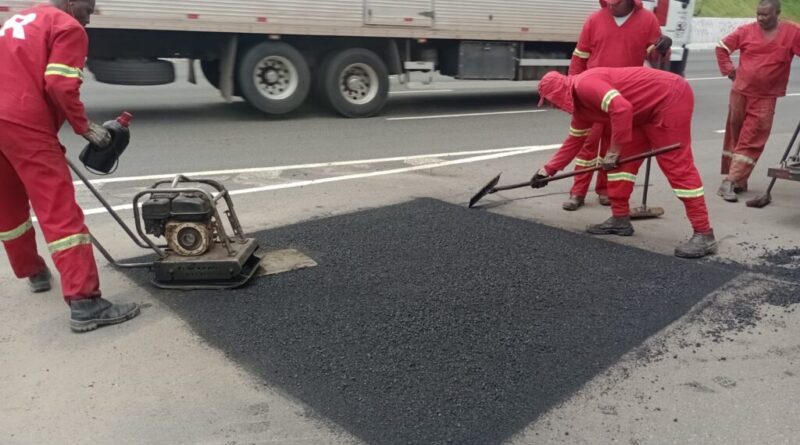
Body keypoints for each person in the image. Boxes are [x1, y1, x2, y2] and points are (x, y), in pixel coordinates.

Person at [0, 0, 140, 332]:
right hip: (24, 120)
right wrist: (84, 127)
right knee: (59, 209)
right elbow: (59, 83)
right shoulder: (67, 26)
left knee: (7, 204)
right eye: (87, 10)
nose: (88, 19)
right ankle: (85, 302)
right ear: (71, 2)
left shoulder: (17, 21)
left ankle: (33, 272)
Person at [532, 67, 717, 259]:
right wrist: (546, 171)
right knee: (620, 166)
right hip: (639, 113)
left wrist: (613, 151)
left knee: (677, 167)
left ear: (560, 93)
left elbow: (621, 108)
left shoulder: (586, 85)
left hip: (669, 98)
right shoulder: (580, 110)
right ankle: (620, 219)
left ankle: (704, 234)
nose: (553, 106)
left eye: (551, 101)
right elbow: (574, 141)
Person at [563, 0, 671, 211]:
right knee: (588, 143)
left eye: (617, 3)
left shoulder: (647, 20)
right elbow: (579, 57)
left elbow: (655, 55)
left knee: (614, 145)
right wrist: (572, 89)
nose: (611, 6)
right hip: (593, 95)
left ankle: (605, 190)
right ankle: (578, 192)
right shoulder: (595, 20)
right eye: (608, 2)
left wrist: (663, 48)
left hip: (625, 96)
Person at [716, 0, 800, 202]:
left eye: (766, 15)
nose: (760, 18)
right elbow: (721, 48)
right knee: (736, 135)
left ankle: (729, 181)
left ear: (777, 13)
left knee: (752, 138)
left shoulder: (792, 33)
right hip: (740, 92)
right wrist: (729, 70)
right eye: (758, 14)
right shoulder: (746, 31)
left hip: (765, 97)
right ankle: (739, 180)